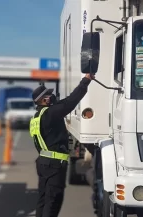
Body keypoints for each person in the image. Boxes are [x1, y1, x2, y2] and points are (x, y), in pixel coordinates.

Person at [30, 73, 95, 217]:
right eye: (49, 95)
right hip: (54, 164)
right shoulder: (51, 114)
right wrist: (85, 81)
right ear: (44, 99)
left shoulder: (37, 117)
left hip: (43, 162)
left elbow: (62, 104)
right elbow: (71, 101)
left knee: (43, 199)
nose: (52, 97)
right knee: (53, 200)